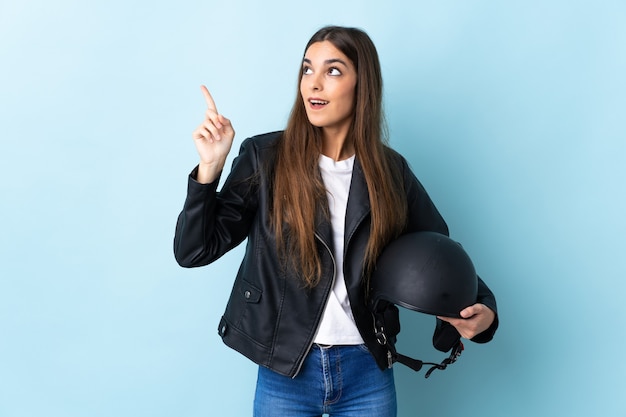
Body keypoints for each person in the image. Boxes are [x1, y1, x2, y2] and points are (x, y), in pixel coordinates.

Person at [174, 25, 498, 417]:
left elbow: (438, 249)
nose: (314, 83)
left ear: (363, 84)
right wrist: (210, 168)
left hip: (367, 370)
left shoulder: (391, 173)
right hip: (286, 369)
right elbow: (194, 250)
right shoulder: (266, 157)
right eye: (307, 69)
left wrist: (483, 308)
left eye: (333, 71)